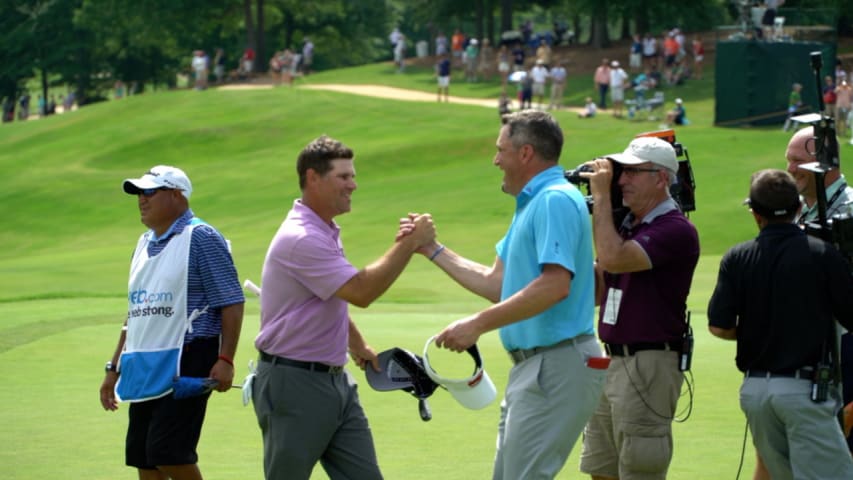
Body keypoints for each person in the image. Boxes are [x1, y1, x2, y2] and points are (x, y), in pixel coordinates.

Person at [412, 110, 606, 479]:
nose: (495, 160)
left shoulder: (554, 200)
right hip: (537, 367)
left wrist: (477, 325)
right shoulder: (533, 204)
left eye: (501, 150)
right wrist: (432, 249)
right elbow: (498, 284)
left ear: (526, 153)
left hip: (557, 363)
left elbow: (555, 284)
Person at [252, 135, 435, 480]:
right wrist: (410, 244)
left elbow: (330, 295)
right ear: (312, 178)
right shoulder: (302, 237)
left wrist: (357, 344)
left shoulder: (324, 231)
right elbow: (361, 291)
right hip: (293, 383)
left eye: (353, 175)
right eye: (344, 176)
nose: (354, 184)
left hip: (336, 382)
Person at [99, 165, 245, 480]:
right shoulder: (142, 244)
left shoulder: (201, 237)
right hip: (144, 362)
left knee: (168, 452)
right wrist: (113, 368)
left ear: (177, 195)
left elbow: (231, 300)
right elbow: (135, 314)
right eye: (139, 192)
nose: (141, 199)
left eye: (149, 191)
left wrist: (226, 359)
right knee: (144, 459)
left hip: (189, 359)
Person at [707, 168, 853, 480]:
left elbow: (719, 326)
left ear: (755, 214)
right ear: (799, 208)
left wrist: (759, 331)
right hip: (805, 390)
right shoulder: (822, 254)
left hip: (755, 393)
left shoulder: (736, 257)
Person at [578, 136, 700, 480]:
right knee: (600, 465)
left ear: (661, 178)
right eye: (621, 172)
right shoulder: (628, 225)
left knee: (639, 468)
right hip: (611, 359)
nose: (621, 181)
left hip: (649, 362)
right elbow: (599, 290)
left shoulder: (675, 229)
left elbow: (615, 259)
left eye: (633, 173)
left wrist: (601, 199)